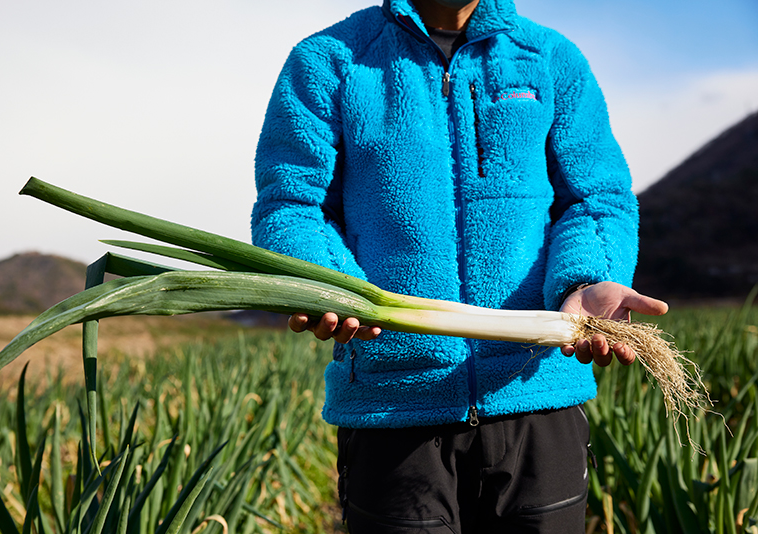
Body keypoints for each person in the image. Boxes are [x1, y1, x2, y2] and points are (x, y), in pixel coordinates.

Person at [251, 0, 668, 531]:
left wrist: (585, 281)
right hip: (393, 407)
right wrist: (332, 285)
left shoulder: (551, 59)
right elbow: (291, 205)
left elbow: (596, 198)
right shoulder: (328, 61)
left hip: (537, 396)